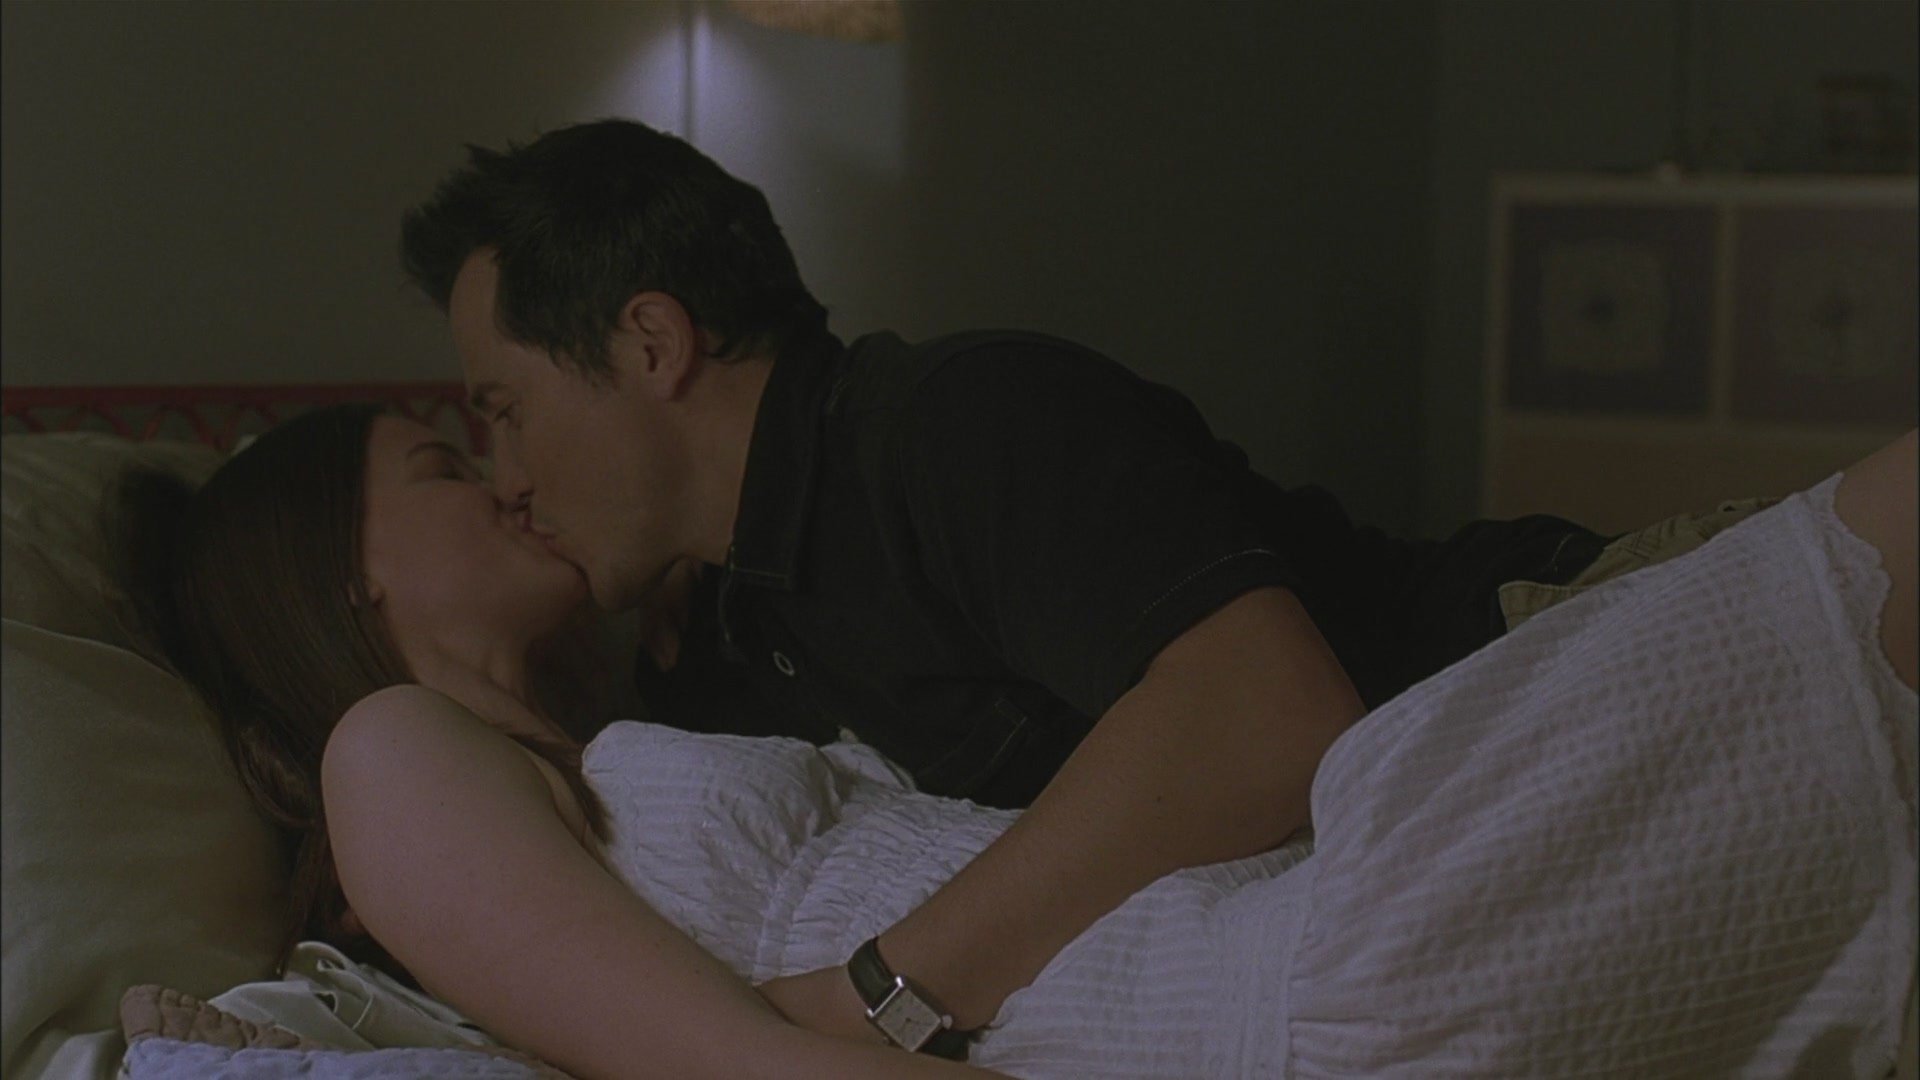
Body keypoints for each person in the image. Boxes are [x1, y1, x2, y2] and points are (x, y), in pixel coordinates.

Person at [392, 117, 1771, 1047]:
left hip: (1566, 646)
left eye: (502, 410)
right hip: (1428, 875)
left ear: (650, 344)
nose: (507, 474)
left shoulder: (951, 424)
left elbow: (1264, 714)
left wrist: (887, 996)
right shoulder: (728, 640)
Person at [121, 404, 1917, 1077]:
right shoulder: (385, 753)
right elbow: (737, 1073)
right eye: (448, 465)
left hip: (1311, 938)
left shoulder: (628, 732)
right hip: (1293, 995)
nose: (505, 481)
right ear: (344, 576)